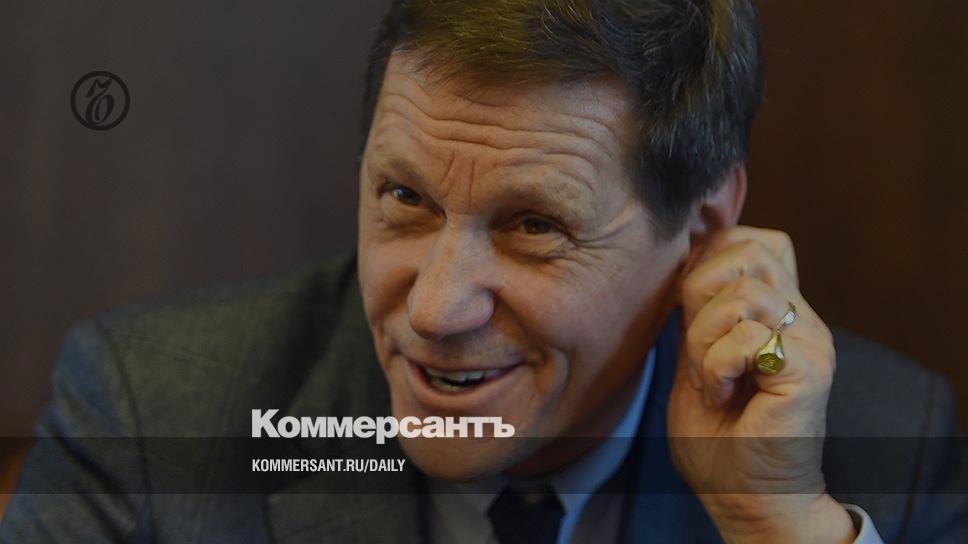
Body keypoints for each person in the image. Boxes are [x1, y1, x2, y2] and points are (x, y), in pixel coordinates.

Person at [2, 1, 967, 542]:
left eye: (534, 226)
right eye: (405, 198)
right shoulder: (150, 413)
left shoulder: (885, 447)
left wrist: (776, 523)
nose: (433, 308)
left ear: (705, 227)